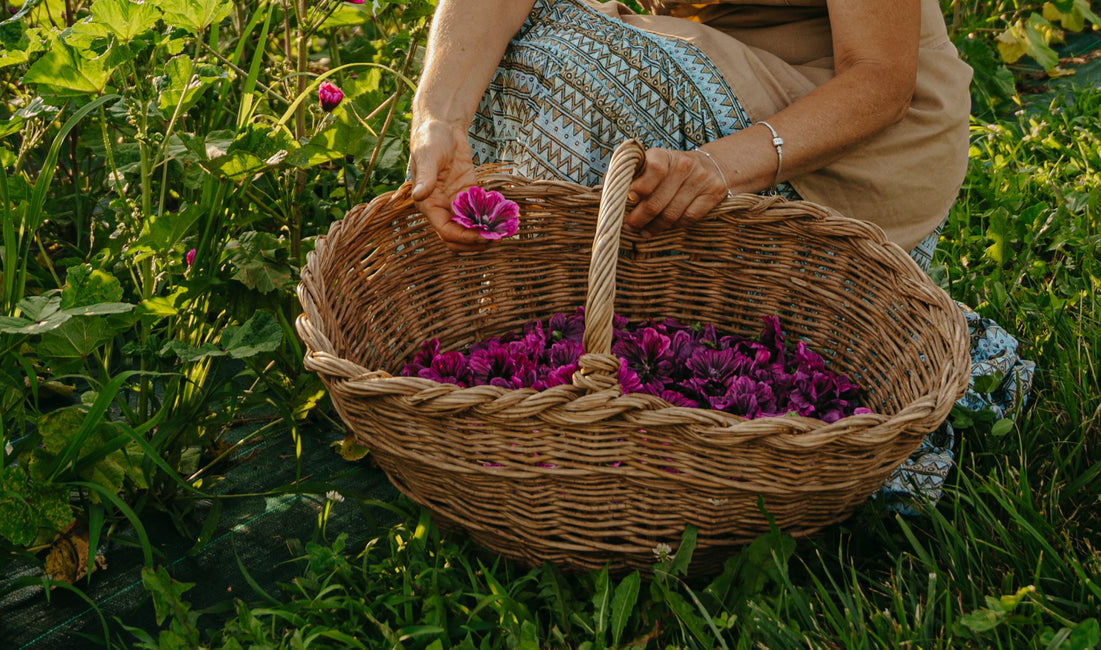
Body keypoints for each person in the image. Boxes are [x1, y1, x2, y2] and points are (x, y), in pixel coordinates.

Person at [405, 0, 1034, 510]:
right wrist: (437, 118)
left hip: (849, 125)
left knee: (565, 68)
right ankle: (562, 378)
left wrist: (716, 169)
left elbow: (881, 79)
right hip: (720, 58)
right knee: (512, 53)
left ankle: (609, 397)